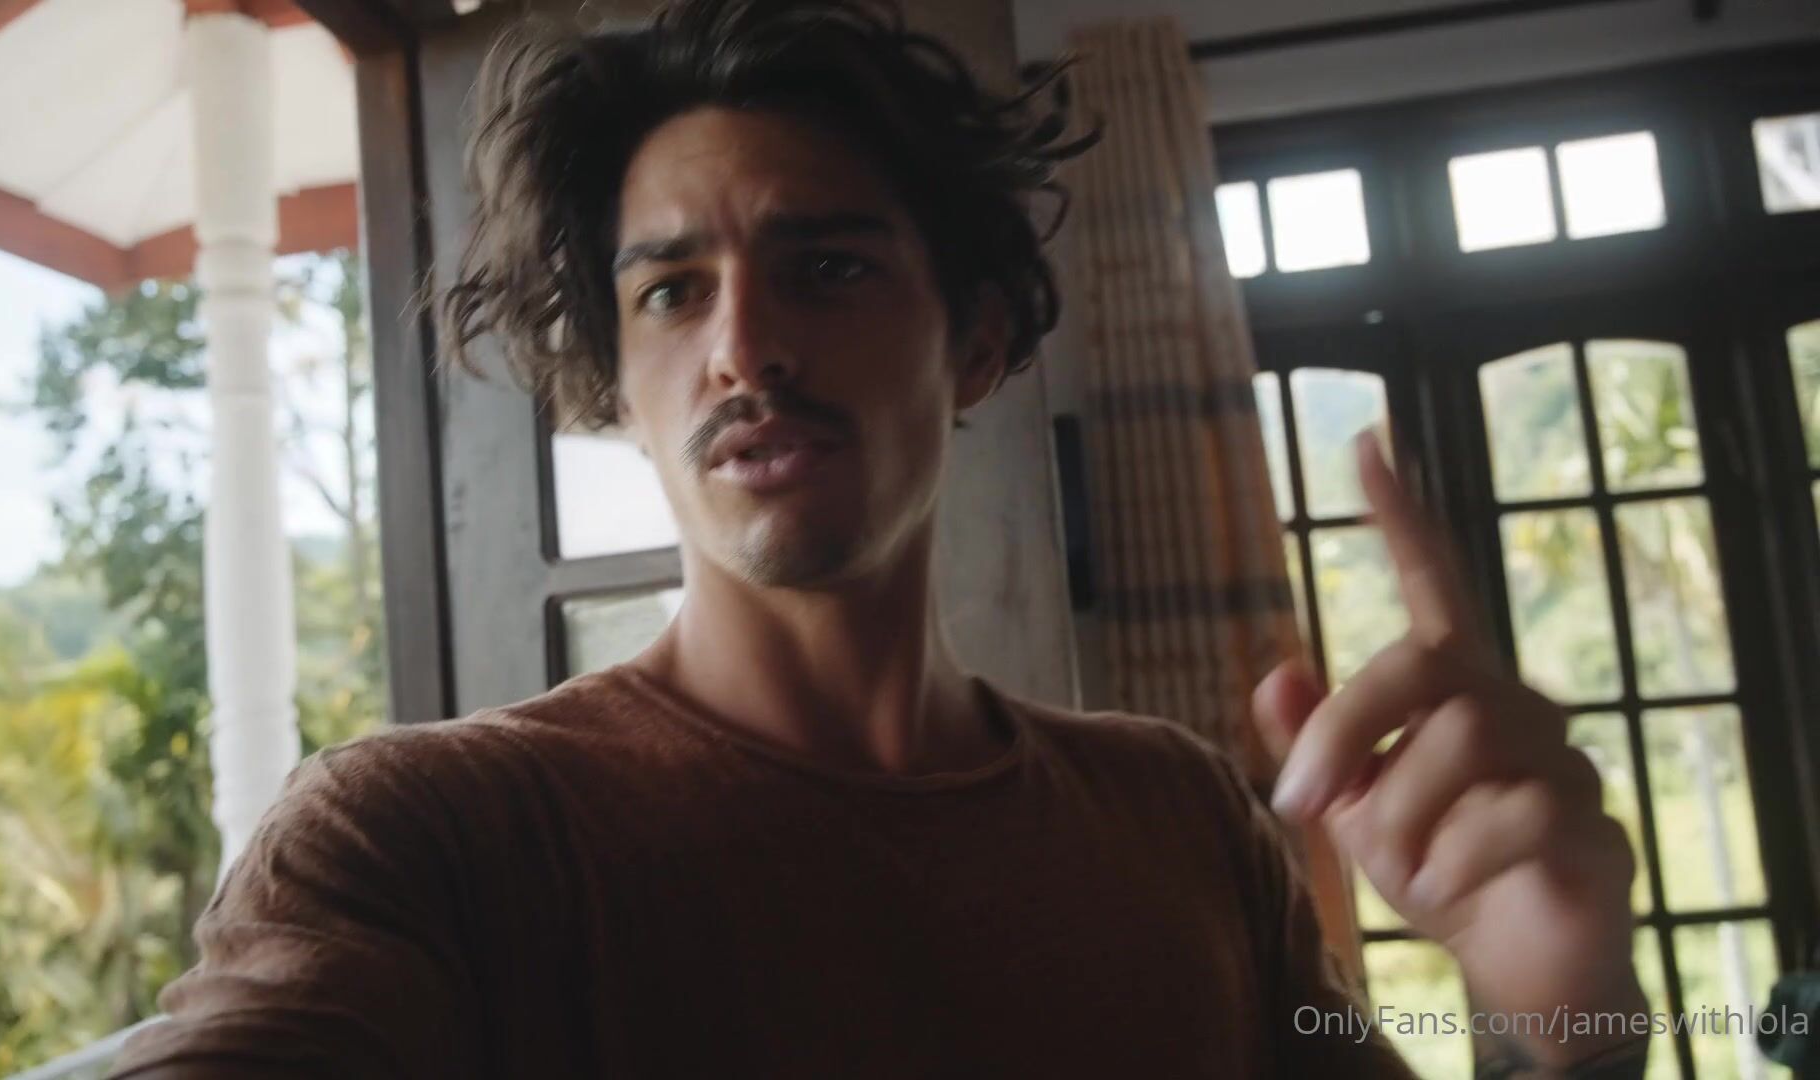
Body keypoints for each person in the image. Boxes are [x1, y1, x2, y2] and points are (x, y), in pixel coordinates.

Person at [111, 0, 1647, 1075]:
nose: (743, 348)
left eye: (828, 267)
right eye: (672, 292)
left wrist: (1565, 1024)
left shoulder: (1179, 820)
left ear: (974, 342)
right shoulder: (434, 843)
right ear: (618, 384)